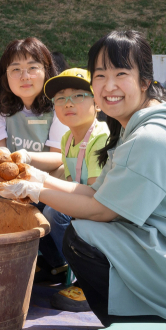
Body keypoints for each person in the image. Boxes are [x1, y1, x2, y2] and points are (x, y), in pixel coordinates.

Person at [0, 30, 166, 327]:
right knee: (80, 225)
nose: (109, 86)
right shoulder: (138, 126)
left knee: (82, 236)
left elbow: (101, 210)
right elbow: (95, 191)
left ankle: (141, 325)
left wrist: (34, 190)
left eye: (121, 74)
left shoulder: (152, 136)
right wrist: (35, 176)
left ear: (145, 81)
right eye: (100, 76)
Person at [39, 68, 109, 311]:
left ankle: (91, 281)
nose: (68, 103)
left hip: (106, 213)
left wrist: (40, 184)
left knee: (54, 212)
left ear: (97, 103)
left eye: (78, 96)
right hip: (84, 203)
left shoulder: (100, 137)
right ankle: (58, 264)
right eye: (60, 98)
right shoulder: (67, 138)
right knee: (40, 210)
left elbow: (96, 194)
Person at [0, 37, 67, 198]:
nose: (25, 76)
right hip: (6, 174)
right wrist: (11, 169)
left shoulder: (59, 101)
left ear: (46, 70)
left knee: (66, 173)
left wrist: (25, 157)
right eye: (16, 69)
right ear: (5, 75)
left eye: (32, 68)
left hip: (45, 174)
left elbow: (58, 156)